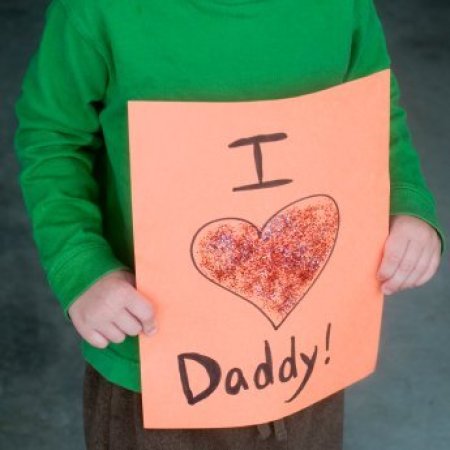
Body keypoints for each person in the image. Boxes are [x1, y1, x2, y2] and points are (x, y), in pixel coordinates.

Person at [13, 0, 446, 449]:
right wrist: (82, 267)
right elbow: (53, 135)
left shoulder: (343, 8)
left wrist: (407, 203)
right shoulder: (97, 12)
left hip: (308, 362)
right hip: (153, 369)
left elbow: (375, 112)